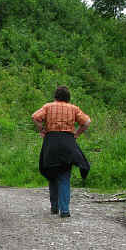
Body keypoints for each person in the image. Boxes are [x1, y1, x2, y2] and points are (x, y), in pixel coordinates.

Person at [32, 86, 91, 218]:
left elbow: (35, 117)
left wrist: (42, 129)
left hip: (51, 142)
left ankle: (54, 207)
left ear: (55, 97)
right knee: (64, 176)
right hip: (67, 143)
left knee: (52, 174)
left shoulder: (48, 107)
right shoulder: (73, 108)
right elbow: (87, 122)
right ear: (68, 98)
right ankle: (64, 210)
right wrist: (76, 134)